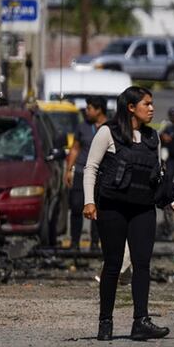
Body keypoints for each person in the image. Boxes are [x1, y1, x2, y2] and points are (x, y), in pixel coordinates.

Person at [84, 86, 174, 341]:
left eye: (152, 104)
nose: (152, 109)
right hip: (113, 207)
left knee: (142, 264)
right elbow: (91, 168)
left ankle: (141, 321)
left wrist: (170, 204)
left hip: (143, 208)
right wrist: (89, 202)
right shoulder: (108, 132)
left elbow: (157, 177)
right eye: (147, 104)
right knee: (113, 264)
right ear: (131, 108)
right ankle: (105, 322)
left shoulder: (153, 137)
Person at [65, 97, 107, 252]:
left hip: (101, 175)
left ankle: (95, 243)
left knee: (98, 209)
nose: (86, 112)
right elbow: (75, 148)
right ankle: (74, 242)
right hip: (82, 172)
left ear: (99, 109)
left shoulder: (109, 127)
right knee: (76, 206)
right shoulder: (83, 127)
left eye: (89, 108)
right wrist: (69, 169)